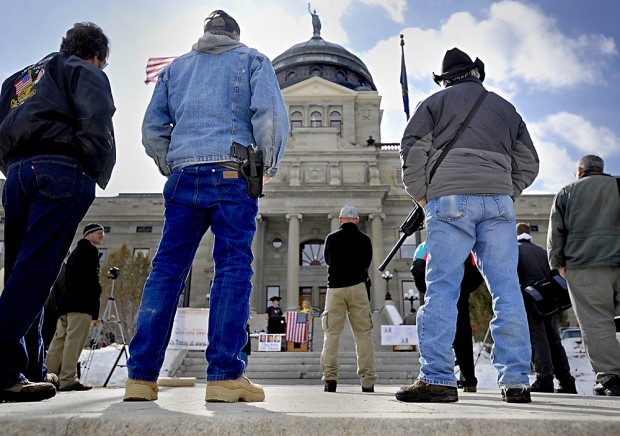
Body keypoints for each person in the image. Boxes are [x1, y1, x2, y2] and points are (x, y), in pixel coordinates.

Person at [124, 10, 288, 403]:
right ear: (234, 35)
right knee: (232, 265)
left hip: (183, 176)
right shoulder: (253, 60)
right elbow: (269, 118)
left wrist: (172, 163)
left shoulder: (174, 69)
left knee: (166, 270)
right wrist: (265, 167)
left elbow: (151, 129)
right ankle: (224, 376)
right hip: (232, 171)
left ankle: (141, 378)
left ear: (205, 34)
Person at [397, 47, 538, 404]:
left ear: (445, 80)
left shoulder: (434, 103)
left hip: (449, 200)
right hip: (498, 202)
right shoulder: (506, 108)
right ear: (476, 73)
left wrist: (423, 196)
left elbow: (412, 150)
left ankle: (437, 378)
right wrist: (506, 190)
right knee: (507, 289)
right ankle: (517, 381)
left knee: (443, 287)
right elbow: (529, 161)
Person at [0, 22, 115, 403]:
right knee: (36, 273)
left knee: (23, 273)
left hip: (18, 175)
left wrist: (15, 167)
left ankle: (30, 367)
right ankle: (3, 368)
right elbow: (97, 122)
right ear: (96, 56)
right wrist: (90, 169)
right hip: (61, 171)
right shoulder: (84, 71)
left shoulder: (21, 79)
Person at [548, 155, 620, 396]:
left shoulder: (567, 192)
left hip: (584, 265)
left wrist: (558, 263)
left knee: (597, 322)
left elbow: (556, 231)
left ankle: (610, 377)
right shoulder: (618, 185)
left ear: (579, 171)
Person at [410, 241, 484, 392]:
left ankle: (439, 378)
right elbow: (477, 272)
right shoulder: (464, 246)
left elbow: (417, 270)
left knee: (436, 336)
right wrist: (463, 289)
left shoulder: (425, 246)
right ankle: (468, 380)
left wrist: (428, 288)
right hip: (459, 295)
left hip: (436, 294)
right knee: (463, 336)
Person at [516, 223, 577, 394]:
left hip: (529, 300)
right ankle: (566, 381)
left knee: (538, 339)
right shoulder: (542, 252)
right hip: (547, 301)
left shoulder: (516, 251)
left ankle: (544, 379)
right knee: (554, 340)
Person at [321, 205, 376, 393]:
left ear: (340, 220)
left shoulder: (331, 238)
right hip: (358, 287)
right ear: (357, 220)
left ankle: (330, 378)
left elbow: (327, 260)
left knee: (331, 334)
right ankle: (367, 381)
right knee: (363, 334)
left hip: (335, 288)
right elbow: (367, 262)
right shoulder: (365, 240)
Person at [45, 223, 105, 391]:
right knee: (74, 341)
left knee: (59, 341)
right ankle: (68, 378)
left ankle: (48, 375)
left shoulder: (74, 254)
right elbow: (92, 282)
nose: (102, 235)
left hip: (66, 306)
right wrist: (95, 307)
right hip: (81, 305)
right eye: (98, 232)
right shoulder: (90, 251)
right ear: (88, 234)